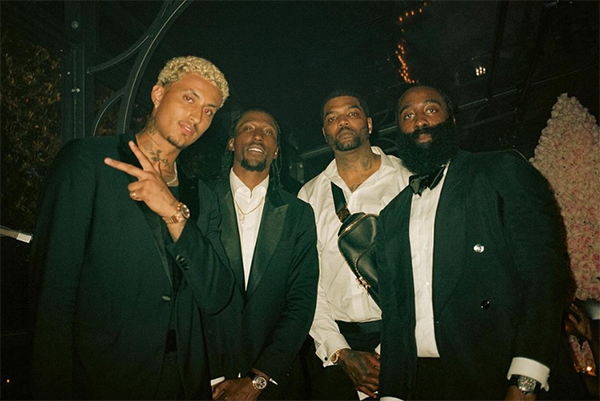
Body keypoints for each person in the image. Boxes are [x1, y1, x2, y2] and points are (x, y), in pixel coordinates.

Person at [29, 56, 234, 400]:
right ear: (158, 94)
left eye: (209, 111)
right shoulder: (89, 162)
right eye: (189, 98)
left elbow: (216, 294)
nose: (197, 117)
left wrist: (172, 211)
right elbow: (53, 291)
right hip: (102, 379)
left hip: (182, 384)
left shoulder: (203, 195)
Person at [376, 84, 569, 401]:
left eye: (431, 109)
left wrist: (526, 377)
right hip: (424, 384)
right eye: (407, 115)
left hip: (501, 370)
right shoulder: (390, 216)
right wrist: (391, 394)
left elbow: (544, 273)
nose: (420, 121)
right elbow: (395, 316)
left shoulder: (500, 170)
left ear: (451, 120)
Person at [298, 90, 412, 400]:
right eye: (332, 118)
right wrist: (339, 350)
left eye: (352, 113)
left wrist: (388, 348)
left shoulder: (407, 178)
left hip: (406, 338)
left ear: (369, 123)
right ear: (325, 132)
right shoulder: (309, 195)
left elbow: (425, 266)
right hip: (338, 348)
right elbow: (307, 283)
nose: (343, 122)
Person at [205, 109, 319, 401]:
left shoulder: (299, 213)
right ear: (231, 142)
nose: (258, 136)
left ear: (276, 150)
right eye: (248, 128)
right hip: (205, 380)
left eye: (268, 132)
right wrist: (213, 375)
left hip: (274, 384)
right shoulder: (199, 201)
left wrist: (260, 378)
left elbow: (301, 300)